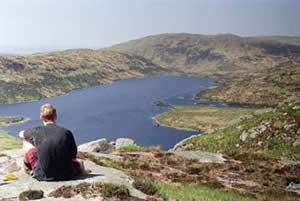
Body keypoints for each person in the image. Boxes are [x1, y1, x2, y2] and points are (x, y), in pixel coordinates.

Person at [19, 103, 85, 181]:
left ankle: (28, 169)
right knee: (80, 162)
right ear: (55, 117)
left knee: (26, 141)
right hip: (67, 174)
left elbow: (21, 134)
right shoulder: (66, 132)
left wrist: (36, 142)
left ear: (41, 118)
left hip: (41, 174)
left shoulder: (36, 131)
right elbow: (73, 155)